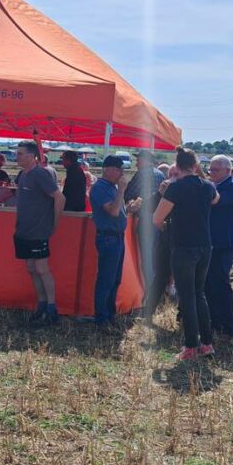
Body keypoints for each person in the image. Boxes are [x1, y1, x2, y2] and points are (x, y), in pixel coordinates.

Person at [153, 147, 218, 361]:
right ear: (195, 165)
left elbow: (157, 219)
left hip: (183, 247)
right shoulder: (207, 186)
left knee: (187, 296)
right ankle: (207, 343)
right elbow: (215, 199)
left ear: (178, 166)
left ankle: (191, 346)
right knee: (199, 294)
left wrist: (166, 223)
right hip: (205, 245)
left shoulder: (175, 188)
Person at [12, 140, 66, 325]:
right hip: (24, 230)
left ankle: (52, 309)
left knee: (42, 268)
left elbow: (60, 197)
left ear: (31, 156)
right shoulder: (23, 175)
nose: (16, 156)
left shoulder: (39, 174)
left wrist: (54, 223)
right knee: (31, 268)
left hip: (38, 231)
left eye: (20, 153)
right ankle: (42, 305)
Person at [85, 155, 140, 325]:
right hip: (108, 238)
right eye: (120, 169)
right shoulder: (100, 188)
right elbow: (113, 211)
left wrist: (129, 207)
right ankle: (101, 317)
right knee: (106, 279)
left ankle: (108, 314)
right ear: (108, 170)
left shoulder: (110, 187)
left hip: (115, 238)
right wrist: (122, 191)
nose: (122, 173)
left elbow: (118, 210)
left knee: (114, 279)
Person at [205, 155, 233, 337]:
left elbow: (216, 200)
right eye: (210, 170)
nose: (211, 173)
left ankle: (228, 327)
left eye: (215, 170)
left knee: (221, 284)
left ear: (228, 171)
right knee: (209, 285)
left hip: (223, 244)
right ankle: (214, 322)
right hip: (211, 242)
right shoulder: (217, 185)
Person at [125, 150, 167, 298]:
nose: (136, 163)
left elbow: (129, 195)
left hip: (145, 219)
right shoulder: (160, 174)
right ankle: (158, 292)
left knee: (145, 259)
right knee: (155, 257)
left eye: (138, 160)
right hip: (159, 219)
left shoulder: (142, 174)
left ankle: (149, 294)